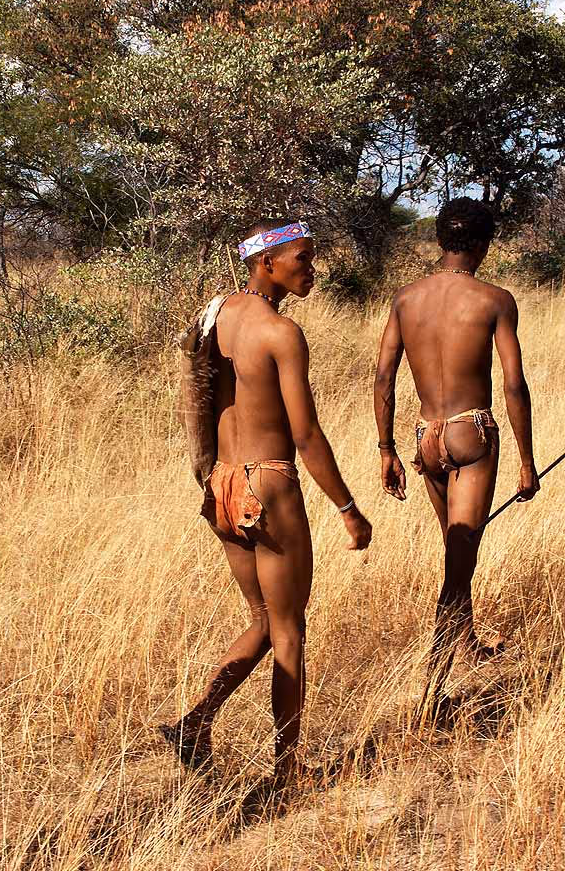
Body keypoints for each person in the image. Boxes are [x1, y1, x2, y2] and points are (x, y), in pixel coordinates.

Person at [160, 219, 372, 784]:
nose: (311, 269)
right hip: (269, 484)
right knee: (289, 629)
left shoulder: (215, 317)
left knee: (263, 617)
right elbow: (305, 436)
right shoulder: (281, 333)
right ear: (266, 263)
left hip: (222, 486)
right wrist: (347, 507)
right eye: (302, 258)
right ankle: (286, 771)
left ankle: (197, 720)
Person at [372, 198, 538, 679]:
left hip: (426, 436)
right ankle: (434, 682)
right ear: (484, 245)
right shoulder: (494, 299)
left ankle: (466, 644)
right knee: (459, 561)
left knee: (455, 545)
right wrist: (527, 461)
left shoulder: (406, 299)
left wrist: (387, 449)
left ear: (441, 241)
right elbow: (513, 384)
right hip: (472, 434)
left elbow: (384, 377)